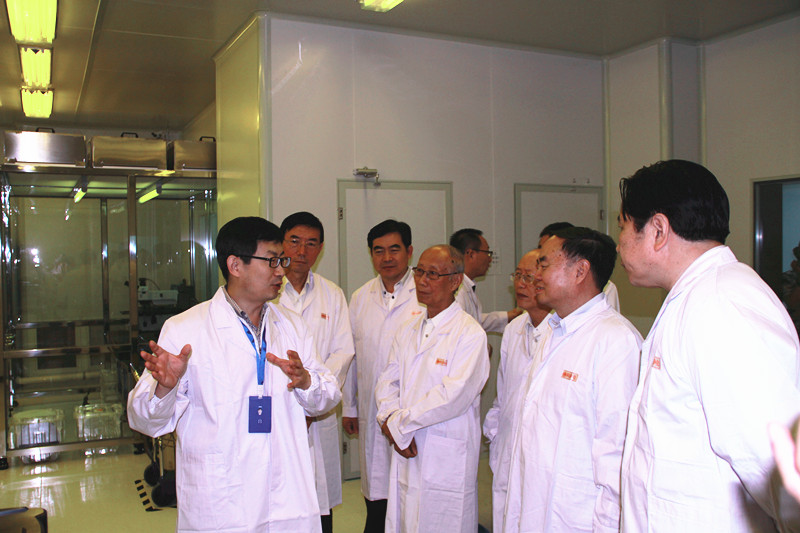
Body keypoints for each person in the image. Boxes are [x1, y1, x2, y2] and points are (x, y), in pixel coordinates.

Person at [616, 160, 800, 531]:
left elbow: (780, 465)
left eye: (623, 227)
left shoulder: (721, 304)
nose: (618, 242)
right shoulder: (697, 297)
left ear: (658, 230)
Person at [127, 216, 341, 533]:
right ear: (235, 265)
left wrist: (306, 382)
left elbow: (329, 397)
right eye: (272, 261)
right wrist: (164, 388)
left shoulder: (293, 326)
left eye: (281, 261)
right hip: (221, 500)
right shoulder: (185, 330)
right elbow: (143, 420)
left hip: (285, 495)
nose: (281, 271)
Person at [504, 227, 642, 533]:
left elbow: (617, 453)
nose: (536, 276)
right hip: (534, 504)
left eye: (544, 264)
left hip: (576, 515)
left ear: (580, 271)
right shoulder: (553, 330)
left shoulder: (615, 341)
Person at [375, 245, 490, 533]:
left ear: (455, 281)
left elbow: (453, 396)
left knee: (442, 521)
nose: (422, 280)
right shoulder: (408, 329)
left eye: (433, 274)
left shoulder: (469, 334)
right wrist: (388, 417)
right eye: (420, 271)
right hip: (407, 445)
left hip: (444, 452)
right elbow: (388, 380)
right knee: (405, 517)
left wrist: (400, 424)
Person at [342, 219, 422, 533]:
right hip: (371, 410)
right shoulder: (360, 297)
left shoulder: (425, 293)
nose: (387, 257)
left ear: (409, 251)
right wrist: (350, 407)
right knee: (376, 489)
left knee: (410, 490)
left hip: (412, 410)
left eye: (394, 249)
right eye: (378, 251)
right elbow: (351, 355)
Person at [277, 212, 355, 533]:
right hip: (279, 407)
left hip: (319, 414)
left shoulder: (331, 294)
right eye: (294, 241)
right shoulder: (269, 289)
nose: (301, 251)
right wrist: (294, 400)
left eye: (311, 244)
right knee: (281, 497)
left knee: (320, 500)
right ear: (281, 243)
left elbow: (343, 352)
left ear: (320, 249)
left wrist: (314, 398)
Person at [482, 248, 552, 533]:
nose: (521, 284)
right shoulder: (514, 328)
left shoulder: (560, 331)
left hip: (542, 455)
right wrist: (495, 433)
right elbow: (503, 393)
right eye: (518, 276)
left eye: (530, 277)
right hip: (508, 448)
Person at [450, 228, 523, 333]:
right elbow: (460, 331)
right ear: (471, 254)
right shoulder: (457, 292)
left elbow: (475, 321)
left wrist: (508, 316)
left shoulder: (466, 285)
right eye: (488, 253)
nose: (490, 259)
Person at [539, 221, 620, 311]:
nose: (537, 276)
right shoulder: (559, 319)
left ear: (580, 271)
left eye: (544, 266)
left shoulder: (605, 321)